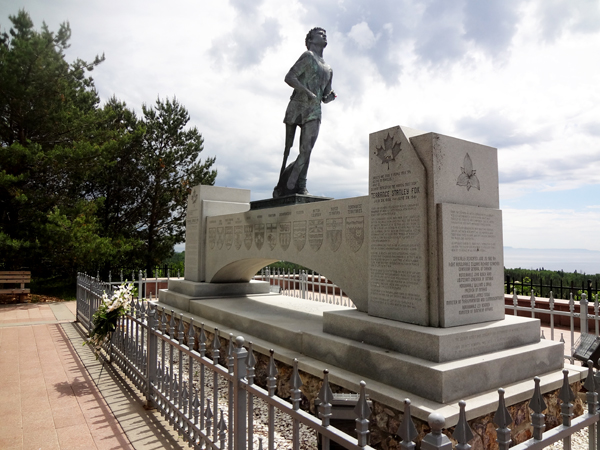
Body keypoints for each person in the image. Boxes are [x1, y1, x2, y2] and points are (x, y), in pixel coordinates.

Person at [273, 27, 336, 198]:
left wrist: (330, 97)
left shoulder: (329, 69)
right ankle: (288, 185)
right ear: (310, 40)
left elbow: (324, 96)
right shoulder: (307, 56)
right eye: (319, 33)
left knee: (307, 149)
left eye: (325, 33)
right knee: (290, 148)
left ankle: (299, 184)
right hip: (298, 105)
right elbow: (290, 77)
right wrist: (306, 91)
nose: (324, 35)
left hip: (315, 110)